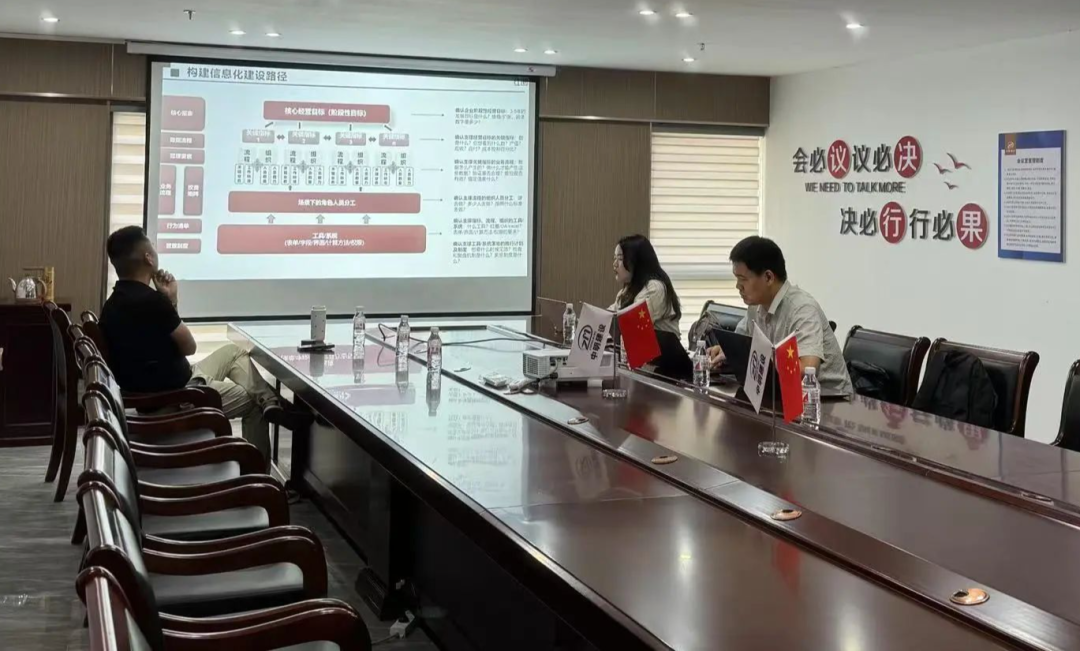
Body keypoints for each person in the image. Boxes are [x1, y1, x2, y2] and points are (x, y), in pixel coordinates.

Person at [99, 226, 309, 465]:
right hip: (179, 396)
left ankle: (271, 401)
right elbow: (189, 346)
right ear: (148, 258)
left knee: (233, 351)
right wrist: (169, 300)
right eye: (153, 247)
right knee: (253, 403)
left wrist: (169, 301)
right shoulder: (152, 301)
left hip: (162, 389)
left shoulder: (112, 305)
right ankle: (258, 475)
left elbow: (166, 342)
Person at [708, 236, 853, 396]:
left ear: (768, 277)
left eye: (743, 279)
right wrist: (726, 352)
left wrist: (759, 356)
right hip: (780, 393)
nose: (738, 286)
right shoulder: (755, 306)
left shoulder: (802, 309)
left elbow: (806, 371)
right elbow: (743, 344)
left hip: (830, 400)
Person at [611, 234, 693, 381]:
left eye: (620, 259)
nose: (614, 264)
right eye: (614, 258)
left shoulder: (655, 288)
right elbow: (609, 316)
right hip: (643, 368)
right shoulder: (627, 290)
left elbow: (630, 322)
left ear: (637, 261)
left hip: (666, 371)